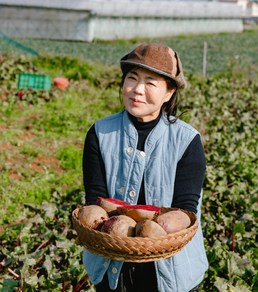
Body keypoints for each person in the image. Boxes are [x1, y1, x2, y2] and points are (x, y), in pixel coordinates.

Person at [82, 43, 208, 292]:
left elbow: (185, 211)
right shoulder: (100, 133)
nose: (137, 90)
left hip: (169, 271)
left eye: (150, 83)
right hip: (111, 264)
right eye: (132, 78)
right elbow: (95, 199)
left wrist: (152, 233)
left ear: (169, 92)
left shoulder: (187, 141)